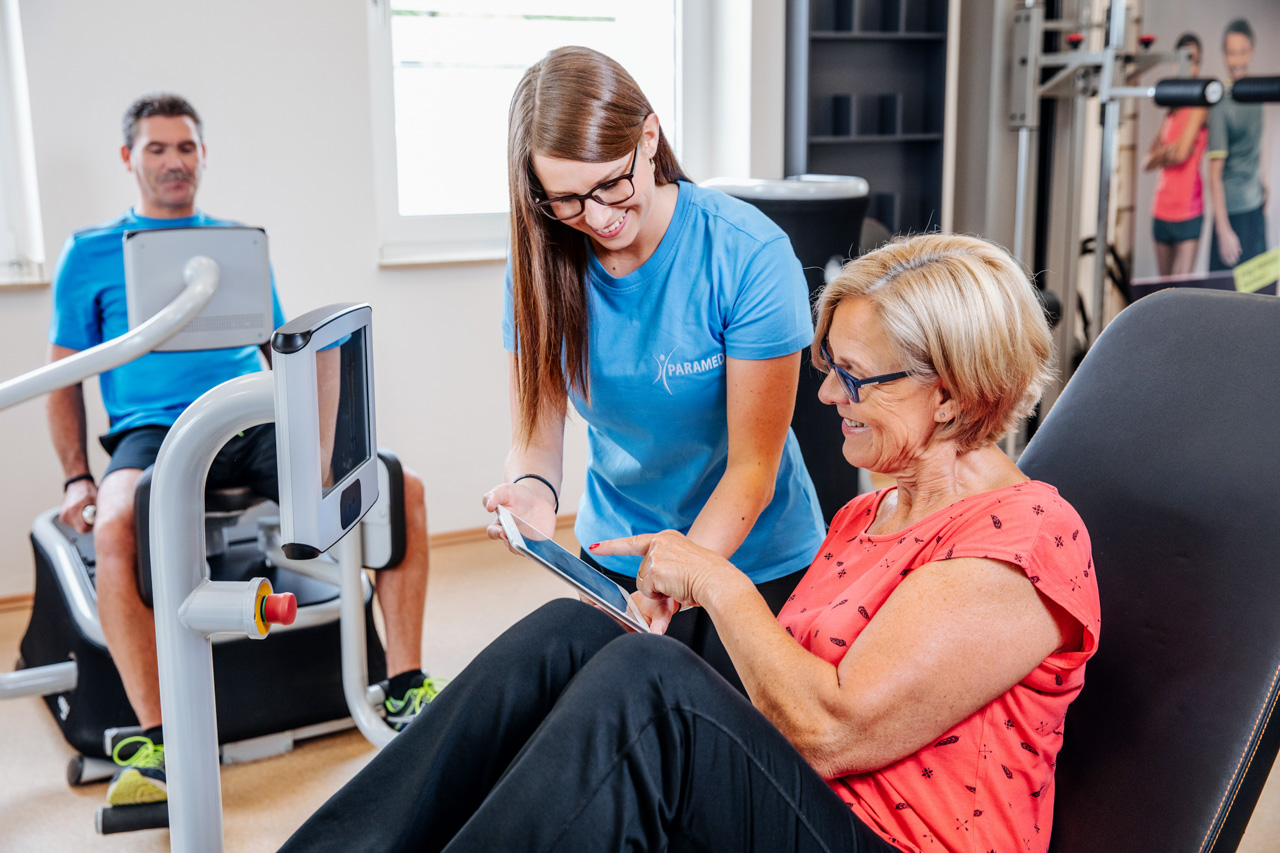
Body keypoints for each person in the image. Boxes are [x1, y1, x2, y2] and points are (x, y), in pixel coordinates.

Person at [280, 233, 1100, 853]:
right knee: (576, 633)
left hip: (890, 840)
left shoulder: (1025, 539)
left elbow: (833, 728)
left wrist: (717, 579)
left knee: (655, 683)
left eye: (852, 376)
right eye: (828, 364)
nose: (825, 393)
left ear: (951, 395)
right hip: (801, 809)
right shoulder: (871, 511)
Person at [47, 94, 442, 808]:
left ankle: (405, 685)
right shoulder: (89, 254)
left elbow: (280, 347)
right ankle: (155, 737)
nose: (174, 161)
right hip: (149, 430)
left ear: (203, 154)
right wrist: (77, 475)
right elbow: (64, 375)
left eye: (187, 147)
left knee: (398, 486)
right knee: (113, 527)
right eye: (158, 148)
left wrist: (323, 449)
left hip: (246, 418)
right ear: (128, 157)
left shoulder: (235, 244)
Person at [482, 47, 825, 693]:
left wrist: (679, 573)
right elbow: (535, 439)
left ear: (649, 137)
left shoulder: (747, 255)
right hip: (618, 552)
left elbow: (752, 470)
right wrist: (531, 492)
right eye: (567, 199)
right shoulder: (536, 269)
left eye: (611, 182)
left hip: (755, 558)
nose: (600, 215)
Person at [1144, 33, 1208, 277]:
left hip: (1189, 209)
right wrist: (1169, 152)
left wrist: (1164, 153)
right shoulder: (1171, 109)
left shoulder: (1200, 105)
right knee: (1164, 289)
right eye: (1184, 59)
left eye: (1194, 60)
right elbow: (1146, 162)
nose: (1190, 65)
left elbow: (1181, 155)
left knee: (1182, 290)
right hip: (1161, 207)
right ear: (1175, 62)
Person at [1208, 18, 1269, 271]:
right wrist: (1223, 230)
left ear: (1252, 51)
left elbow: (1257, 145)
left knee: (1260, 299)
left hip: (1255, 210)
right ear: (1224, 54)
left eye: (1242, 52)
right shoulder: (1221, 101)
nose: (1237, 60)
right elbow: (1214, 174)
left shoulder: (1257, 94)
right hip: (1232, 216)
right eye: (1232, 53)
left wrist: (1264, 183)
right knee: (1224, 304)